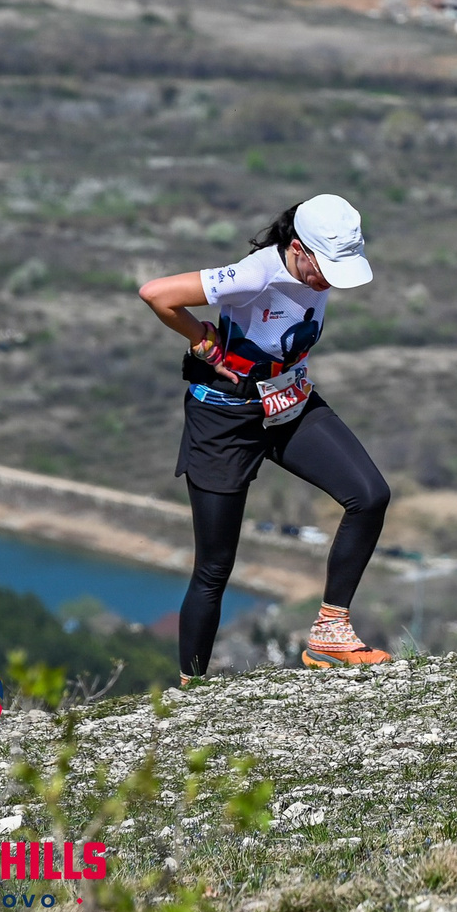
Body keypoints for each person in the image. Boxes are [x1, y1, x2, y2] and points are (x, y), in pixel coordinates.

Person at [136, 193, 394, 681]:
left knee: (370, 495)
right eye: (323, 270)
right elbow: (156, 292)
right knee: (214, 568)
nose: (327, 282)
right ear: (297, 248)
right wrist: (200, 338)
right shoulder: (256, 274)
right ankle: (192, 688)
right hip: (225, 420)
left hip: (290, 404)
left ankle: (330, 634)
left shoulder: (316, 264)